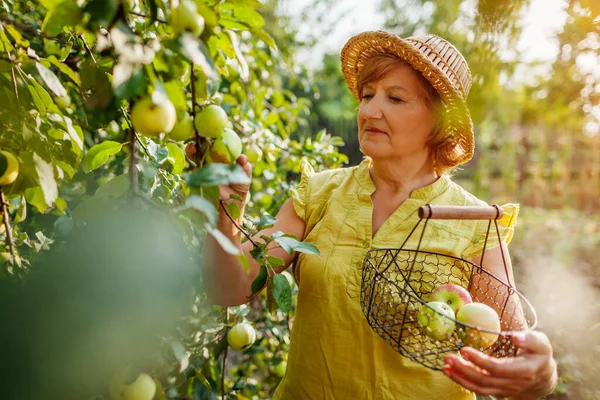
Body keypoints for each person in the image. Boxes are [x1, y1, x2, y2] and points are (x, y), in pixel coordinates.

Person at [201, 31, 558, 399]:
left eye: (396, 98)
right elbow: (228, 288)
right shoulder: (319, 194)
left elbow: (512, 351)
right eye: (368, 95)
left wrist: (541, 374)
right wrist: (225, 212)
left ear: (439, 122)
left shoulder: (475, 222)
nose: (369, 110)